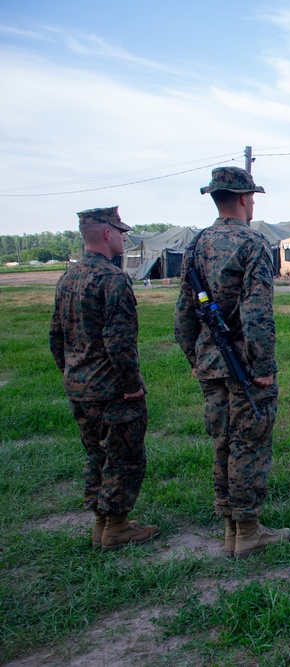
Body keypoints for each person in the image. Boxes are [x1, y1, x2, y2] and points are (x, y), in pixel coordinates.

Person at [175, 166, 290, 559]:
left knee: (223, 440)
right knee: (249, 442)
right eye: (253, 197)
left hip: (210, 363)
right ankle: (249, 530)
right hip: (242, 363)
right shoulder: (253, 243)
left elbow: (184, 311)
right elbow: (257, 311)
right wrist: (262, 367)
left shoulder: (196, 245)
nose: (253, 203)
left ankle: (230, 528)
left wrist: (195, 355)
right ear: (243, 198)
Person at [49, 206, 158, 552]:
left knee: (95, 453)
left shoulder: (69, 277)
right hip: (111, 388)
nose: (125, 239)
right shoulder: (112, 279)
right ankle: (117, 527)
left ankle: (101, 524)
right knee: (124, 456)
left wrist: (70, 372)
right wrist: (131, 386)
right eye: (122, 233)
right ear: (108, 234)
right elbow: (119, 341)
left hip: (79, 386)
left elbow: (55, 336)